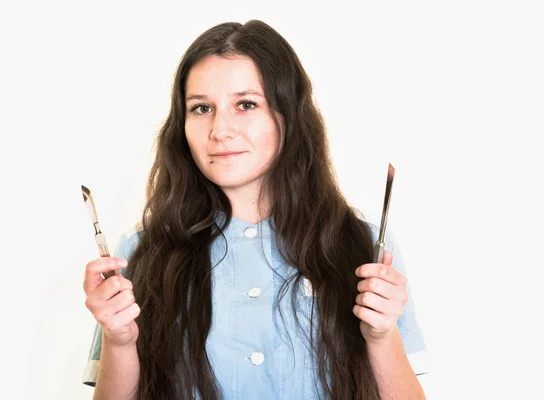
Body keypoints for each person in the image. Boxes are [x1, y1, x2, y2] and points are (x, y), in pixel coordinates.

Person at [81, 19, 429, 400]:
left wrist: (380, 336)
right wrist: (120, 341)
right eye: (201, 108)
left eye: (245, 104)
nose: (219, 129)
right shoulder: (139, 252)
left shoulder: (363, 244)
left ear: (288, 115)